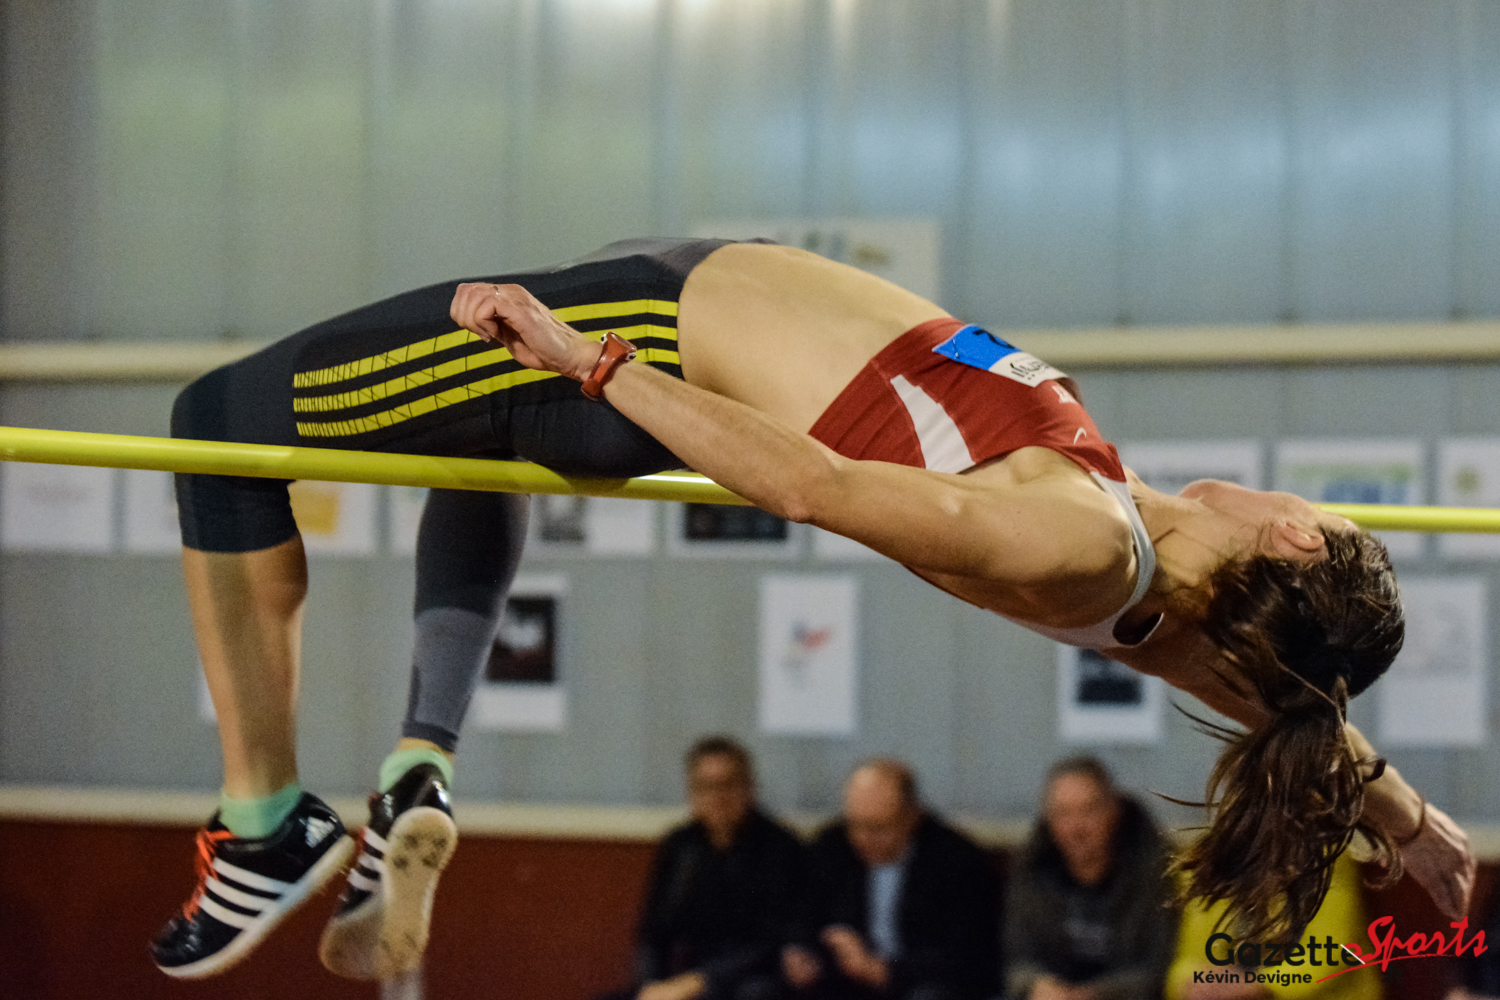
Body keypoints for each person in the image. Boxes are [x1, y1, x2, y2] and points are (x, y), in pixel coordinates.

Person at [154, 237, 1473, 978]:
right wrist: (1407, 819)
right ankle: (419, 762)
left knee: (215, 423)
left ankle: (264, 819)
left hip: (656, 332)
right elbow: (1298, 707)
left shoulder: (1081, 538)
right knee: (479, 443)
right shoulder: (1186, 614)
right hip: (669, 349)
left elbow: (815, 488)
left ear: (1295, 533)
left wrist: (589, 359)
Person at [598, 736, 804, 1000]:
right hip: (686, 979)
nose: (717, 797)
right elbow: (653, 931)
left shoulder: (780, 847)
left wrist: (698, 982)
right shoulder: (681, 846)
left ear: (749, 788)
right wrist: (652, 984)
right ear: (691, 794)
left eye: (727, 785)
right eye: (705, 787)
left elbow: (770, 943)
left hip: (749, 979)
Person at [782, 759, 999, 1000]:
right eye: (854, 825)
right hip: (847, 983)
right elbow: (803, 915)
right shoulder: (832, 847)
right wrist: (799, 951)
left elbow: (968, 956)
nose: (862, 838)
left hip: (921, 983)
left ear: (912, 817)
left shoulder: (956, 860)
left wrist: (885, 970)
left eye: (877, 828)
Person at [1004, 757, 1178, 1000]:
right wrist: (1037, 984)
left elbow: (1159, 967)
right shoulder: (1032, 868)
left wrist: (1093, 994)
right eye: (1063, 813)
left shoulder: (1153, 868)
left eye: (1088, 811)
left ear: (1114, 812)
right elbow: (1016, 960)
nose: (1076, 828)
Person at [1164, 851, 1381, 1000]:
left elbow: (1332, 952)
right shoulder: (1212, 856)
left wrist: (1260, 985)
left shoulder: (1326, 855)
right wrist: (1191, 982)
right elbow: (1187, 959)